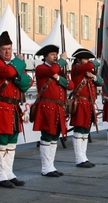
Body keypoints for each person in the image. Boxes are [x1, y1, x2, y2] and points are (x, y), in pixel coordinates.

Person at [0, 31, 33, 188]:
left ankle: (9, 173)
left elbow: (27, 82)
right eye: (4, 49)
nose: (7, 52)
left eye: (9, 48)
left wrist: (17, 73)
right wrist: (18, 65)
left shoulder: (14, 65)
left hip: (13, 108)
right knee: (1, 144)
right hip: (1, 107)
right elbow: (9, 72)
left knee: (12, 144)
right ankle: (1, 176)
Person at [33, 45, 74, 177]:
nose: (55, 57)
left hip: (58, 107)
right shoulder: (41, 68)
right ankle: (45, 167)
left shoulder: (58, 71)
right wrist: (62, 61)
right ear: (45, 57)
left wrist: (58, 78)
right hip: (47, 107)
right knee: (46, 137)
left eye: (56, 54)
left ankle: (51, 166)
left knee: (55, 137)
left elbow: (71, 85)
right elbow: (52, 71)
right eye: (52, 54)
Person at [70, 48, 102, 166]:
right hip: (80, 103)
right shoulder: (77, 68)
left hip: (89, 104)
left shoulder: (88, 71)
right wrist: (97, 61)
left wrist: (93, 77)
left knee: (85, 131)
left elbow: (101, 82)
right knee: (79, 130)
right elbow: (92, 65)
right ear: (78, 60)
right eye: (85, 58)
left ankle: (84, 156)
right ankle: (79, 158)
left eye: (88, 59)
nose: (88, 61)